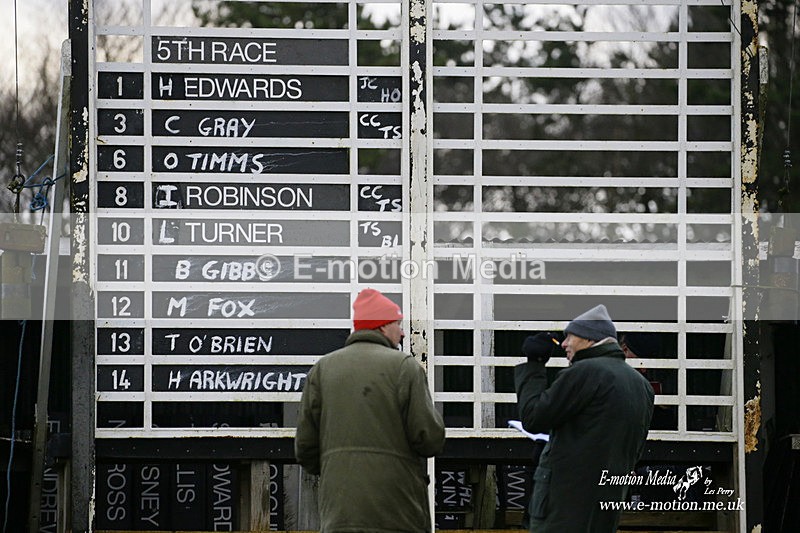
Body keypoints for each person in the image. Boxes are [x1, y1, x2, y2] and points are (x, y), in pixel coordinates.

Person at [295, 288, 446, 532]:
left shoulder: (322, 370)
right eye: (398, 323)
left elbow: (305, 448)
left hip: (339, 512)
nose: (403, 332)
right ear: (383, 326)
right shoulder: (404, 368)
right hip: (397, 512)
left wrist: (337, 471)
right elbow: (428, 439)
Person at [514, 304, 654, 532]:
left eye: (570, 336)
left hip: (566, 506)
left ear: (590, 339)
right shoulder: (641, 385)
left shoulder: (583, 372)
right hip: (606, 504)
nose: (564, 344)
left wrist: (535, 364)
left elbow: (533, 416)